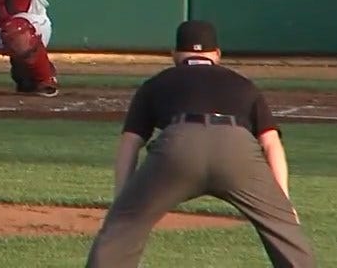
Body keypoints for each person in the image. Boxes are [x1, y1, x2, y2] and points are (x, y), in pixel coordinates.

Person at [84, 20, 316, 268]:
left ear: (175, 54)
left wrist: (123, 203)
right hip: (237, 153)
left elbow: (130, 143)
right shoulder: (242, 83)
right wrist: (283, 204)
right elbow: (271, 143)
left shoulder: (158, 82)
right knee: (284, 230)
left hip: (179, 150)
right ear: (216, 54)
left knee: (123, 228)